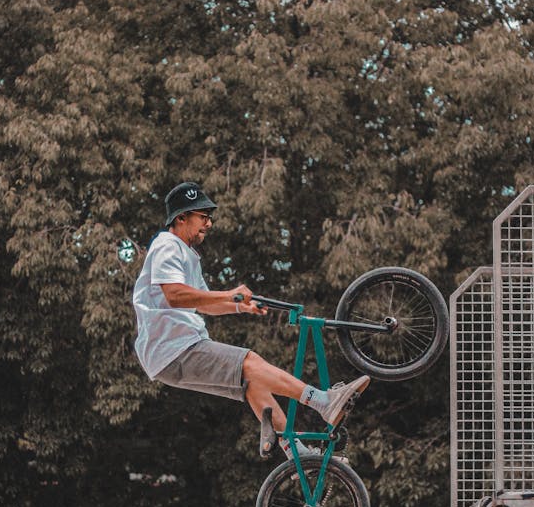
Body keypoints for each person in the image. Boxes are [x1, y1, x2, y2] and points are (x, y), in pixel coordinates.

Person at [132, 182, 369, 459]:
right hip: (175, 349)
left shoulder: (189, 256)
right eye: (202, 218)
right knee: (249, 362)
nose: (208, 224)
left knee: (252, 382)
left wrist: (239, 308)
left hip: (171, 355)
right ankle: (323, 402)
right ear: (181, 217)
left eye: (210, 218)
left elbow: (204, 304)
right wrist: (231, 294)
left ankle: (297, 454)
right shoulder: (167, 245)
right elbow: (174, 295)